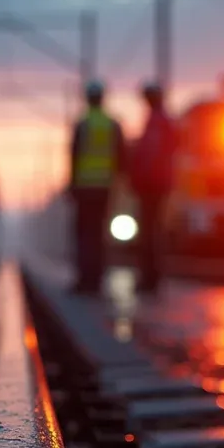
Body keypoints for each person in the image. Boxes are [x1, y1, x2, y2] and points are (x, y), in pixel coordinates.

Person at [68, 80, 128, 295]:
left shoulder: (82, 124)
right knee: (100, 233)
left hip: (85, 187)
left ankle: (85, 280)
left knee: (84, 234)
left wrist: (72, 185)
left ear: (87, 99)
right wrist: (121, 184)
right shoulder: (113, 124)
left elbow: (73, 156)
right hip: (105, 187)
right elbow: (122, 156)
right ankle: (98, 281)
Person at [128, 81, 178, 294]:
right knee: (152, 230)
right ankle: (151, 277)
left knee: (149, 231)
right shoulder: (163, 121)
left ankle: (150, 279)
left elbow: (150, 155)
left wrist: (137, 178)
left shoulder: (157, 122)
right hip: (159, 183)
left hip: (152, 184)